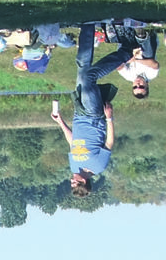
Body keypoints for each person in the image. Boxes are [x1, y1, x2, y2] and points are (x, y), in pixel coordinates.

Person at [51, 23, 134, 196]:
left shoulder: (74, 165)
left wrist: (60, 122)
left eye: (71, 183)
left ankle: (88, 25)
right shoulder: (99, 166)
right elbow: (109, 143)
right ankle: (126, 53)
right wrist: (109, 118)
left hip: (79, 113)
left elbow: (73, 142)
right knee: (89, 78)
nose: (71, 181)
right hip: (94, 115)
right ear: (84, 181)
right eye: (74, 183)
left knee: (82, 67)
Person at [115, 26, 160, 98]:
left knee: (120, 57)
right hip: (146, 46)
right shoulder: (151, 75)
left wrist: (130, 58)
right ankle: (141, 35)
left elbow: (118, 66)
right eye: (141, 86)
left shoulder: (128, 76)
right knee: (149, 56)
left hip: (131, 49)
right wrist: (135, 59)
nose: (138, 84)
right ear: (147, 85)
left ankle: (122, 31)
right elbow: (154, 64)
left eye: (135, 87)